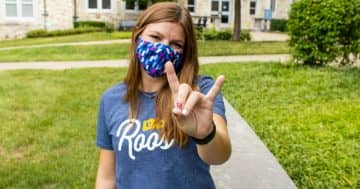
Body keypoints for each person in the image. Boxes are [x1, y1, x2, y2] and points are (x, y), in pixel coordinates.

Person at [95, 2, 231, 189]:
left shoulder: (199, 92)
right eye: (155, 37)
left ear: (185, 53)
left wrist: (205, 134)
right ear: (137, 36)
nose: (163, 49)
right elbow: (106, 177)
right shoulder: (111, 99)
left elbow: (221, 154)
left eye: (175, 44)